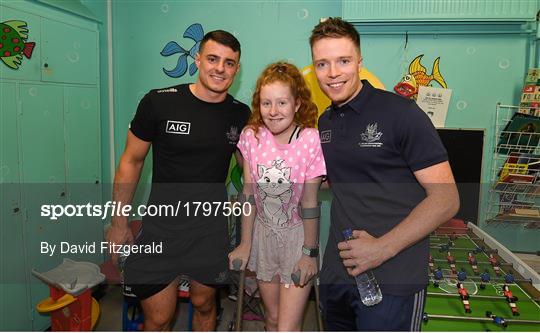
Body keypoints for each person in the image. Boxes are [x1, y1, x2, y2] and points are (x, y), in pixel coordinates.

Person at [309, 18, 459, 331]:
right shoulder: (325, 122)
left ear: (360, 63)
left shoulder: (401, 114)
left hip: (393, 277)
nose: (333, 73)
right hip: (338, 275)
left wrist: (381, 249)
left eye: (343, 61)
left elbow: (446, 199)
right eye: (322, 63)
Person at [106, 30, 250, 331]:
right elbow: (131, 161)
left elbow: (252, 170)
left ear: (236, 69)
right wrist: (119, 224)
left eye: (229, 62)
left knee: (205, 305)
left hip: (210, 231)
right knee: (159, 318)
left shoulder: (240, 114)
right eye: (212, 59)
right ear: (197, 59)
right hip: (162, 228)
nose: (219, 68)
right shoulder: (158, 103)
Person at [229, 62, 326, 331]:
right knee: (271, 320)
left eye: (282, 103)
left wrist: (309, 253)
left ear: (296, 104)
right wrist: (245, 243)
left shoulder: (310, 140)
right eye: (266, 103)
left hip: (298, 240)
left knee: (287, 327)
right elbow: (247, 195)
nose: (273, 112)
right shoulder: (252, 137)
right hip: (263, 235)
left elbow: (309, 203)